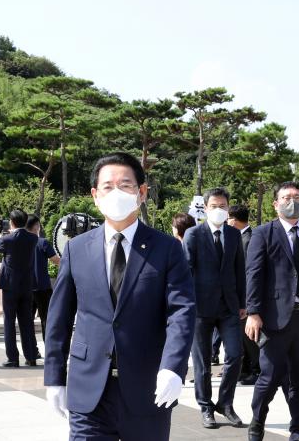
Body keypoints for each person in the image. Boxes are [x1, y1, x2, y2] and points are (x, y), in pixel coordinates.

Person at [44, 152, 196, 440]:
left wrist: (173, 367)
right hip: (89, 391)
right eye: (108, 186)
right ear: (95, 196)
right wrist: (54, 376)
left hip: (148, 388)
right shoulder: (76, 249)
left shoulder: (167, 249)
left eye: (125, 185)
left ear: (141, 193)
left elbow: (182, 312)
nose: (116, 193)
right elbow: (58, 318)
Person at [245, 182, 299, 441]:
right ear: (275, 204)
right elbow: (254, 274)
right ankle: (258, 420)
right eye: (286, 197)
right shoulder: (263, 234)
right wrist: (253, 312)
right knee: (270, 377)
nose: (291, 201)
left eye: (297, 197)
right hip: (275, 319)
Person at [183, 187, 246, 429]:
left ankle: (225, 404)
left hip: (229, 306)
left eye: (222, 206)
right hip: (200, 307)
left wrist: (242, 302)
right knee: (202, 363)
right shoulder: (193, 234)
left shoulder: (233, 234)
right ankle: (206, 406)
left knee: (235, 354)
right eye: (214, 206)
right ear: (205, 208)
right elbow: (185, 271)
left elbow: (239, 269)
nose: (218, 210)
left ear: (228, 208)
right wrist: (185, 305)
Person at [0, 209, 39, 368]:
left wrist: (1, 236)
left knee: (9, 321)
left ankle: (12, 358)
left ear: (11, 222)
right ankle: (31, 356)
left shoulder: (6, 239)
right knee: (27, 321)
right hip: (26, 285)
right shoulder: (33, 238)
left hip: (9, 285)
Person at [227, 204, 260, 386]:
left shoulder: (249, 239)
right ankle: (246, 369)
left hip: (247, 297)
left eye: (228, 218)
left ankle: (256, 369)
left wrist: (247, 301)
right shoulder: (240, 237)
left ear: (234, 220)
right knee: (242, 336)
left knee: (250, 336)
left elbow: (249, 274)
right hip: (239, 297)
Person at [26, 214, 59, 346]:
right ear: (37, 226)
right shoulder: (42, 242)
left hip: (26, 288)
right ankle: (49, 347)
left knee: (27, 321)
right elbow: (56, 260)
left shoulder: (20, 244)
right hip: (43, 287)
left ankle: (31, 350)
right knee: (46, 319)